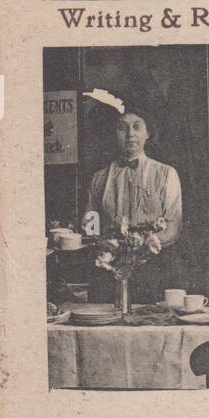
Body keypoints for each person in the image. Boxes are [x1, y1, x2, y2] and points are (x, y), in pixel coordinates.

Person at [84, 97, 183, 299]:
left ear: (148, 133)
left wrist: (148, 244)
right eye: (122, 128)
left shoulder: (165, 174)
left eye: (137, 127)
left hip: (154, 266)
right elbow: (89, 225)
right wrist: (104, 244)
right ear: (113, 134)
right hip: (110, 264)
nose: (130, 135)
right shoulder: (99, 178)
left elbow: (174, 225)